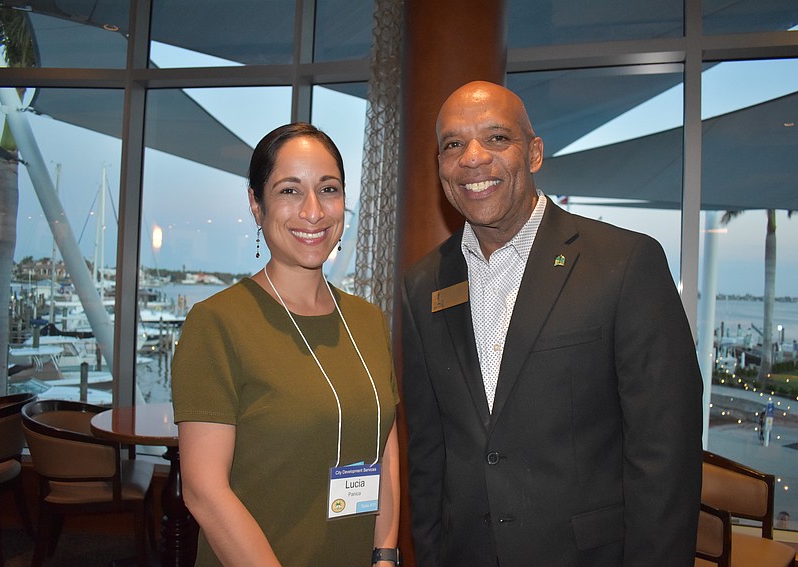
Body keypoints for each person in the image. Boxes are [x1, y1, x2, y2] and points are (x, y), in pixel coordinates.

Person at [401, 81, 703, 567]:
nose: (473, 158)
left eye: (496, 138)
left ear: (535, 153)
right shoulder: (422, 285)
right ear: (439, 165)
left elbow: (665, 455)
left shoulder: (625, 264)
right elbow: (429, 454)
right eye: (452, 144)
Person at [172, 123, 400, 567]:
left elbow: (385, 442)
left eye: (328, 189)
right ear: (256, 205)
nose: (313, 211)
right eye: (290, 191)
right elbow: (204, 491)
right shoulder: (218, 324)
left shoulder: (368, 321)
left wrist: (386, 554)